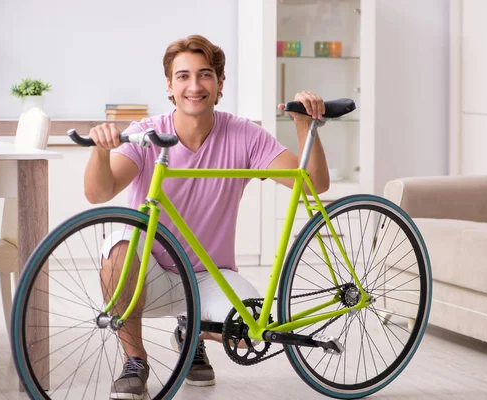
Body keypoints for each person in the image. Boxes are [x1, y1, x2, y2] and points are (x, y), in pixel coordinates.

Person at [84, 34, 330, 399]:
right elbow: (98, 193)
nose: (194, 86)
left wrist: (303, 122)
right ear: (169, 85)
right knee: (119, 245)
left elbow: (313, 185)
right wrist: (101, 153)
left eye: (205, 75)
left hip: (208, 274)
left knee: (251, 334)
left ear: (219, 84)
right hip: (147, 271)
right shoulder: (146, 133)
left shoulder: (245, 135)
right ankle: (135, 359)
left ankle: (192, 332)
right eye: (183, 76)